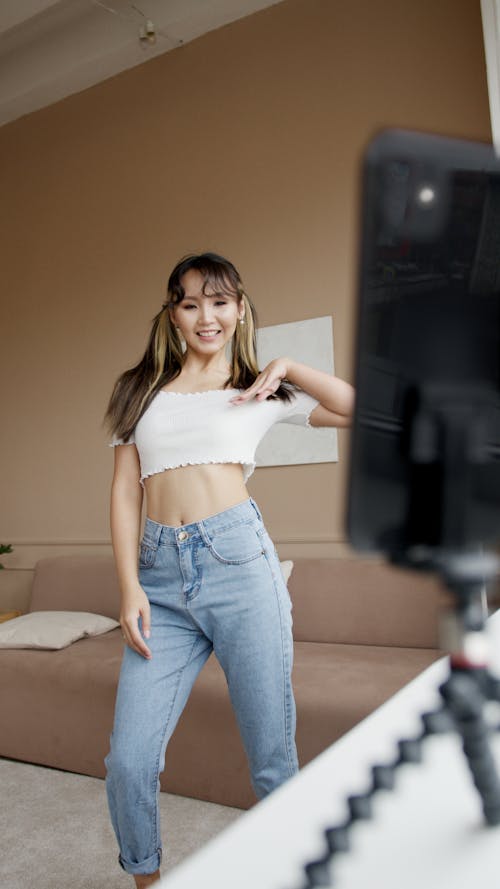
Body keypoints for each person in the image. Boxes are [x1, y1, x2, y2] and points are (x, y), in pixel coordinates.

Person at [103, 252, 355, 887]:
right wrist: (130, 584)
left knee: (272, 759)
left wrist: (290, 367)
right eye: (190, 303)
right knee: (129, 762)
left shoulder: (263, 389)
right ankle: (147, 880)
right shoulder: (140, 389)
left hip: (240, 565)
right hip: (158, 577)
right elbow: (125, 489)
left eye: (219, 302)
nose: (205, 315)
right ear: (173, 314)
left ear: (239, 308)